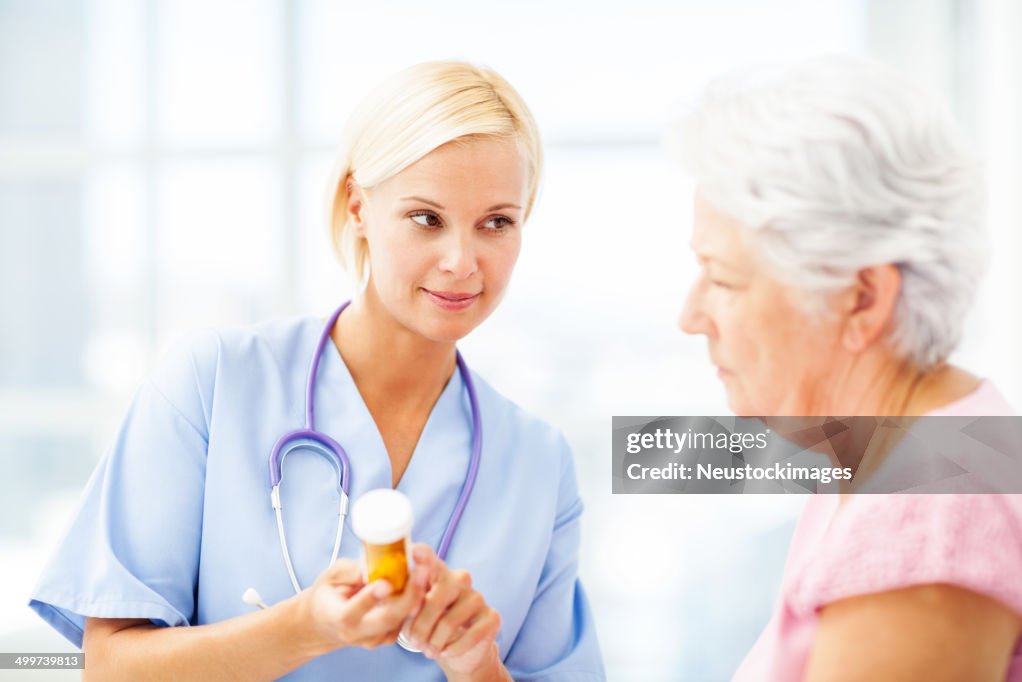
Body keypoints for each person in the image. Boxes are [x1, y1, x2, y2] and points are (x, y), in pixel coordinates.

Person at [29, 60, 605, 682]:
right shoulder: (213, 382)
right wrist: (305, 628)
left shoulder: (539, 464)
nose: (462, 261)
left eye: (497, 222)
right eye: (426, 218)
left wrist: (477, 665)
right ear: (358, 206)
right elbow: (110, 666)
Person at [670, 56, 1022, 680]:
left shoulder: (926, 520)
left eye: (722, 279)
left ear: (861, 299)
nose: (691, 316)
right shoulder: (900, 456)